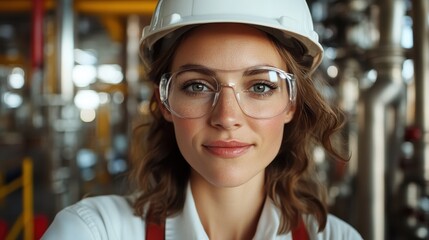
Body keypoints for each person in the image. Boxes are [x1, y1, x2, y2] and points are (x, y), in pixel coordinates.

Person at [43, 0, 362, 239]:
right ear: (164, 101)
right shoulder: (95, 230)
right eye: (197, 86)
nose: (226, 117)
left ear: (292, 102)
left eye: (260, 86)